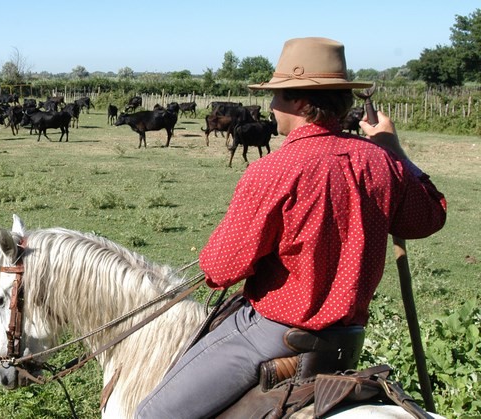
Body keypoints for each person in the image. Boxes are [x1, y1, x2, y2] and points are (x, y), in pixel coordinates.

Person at [135, 37, 447, 418]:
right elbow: (431, 217)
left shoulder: (274, 168)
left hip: (275, 333)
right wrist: (391, 146)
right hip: (344, 340)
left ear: (300, 102)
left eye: (277, 97)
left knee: (152, 414)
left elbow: (219, 270)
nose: (270, 107)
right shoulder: (380, 162)